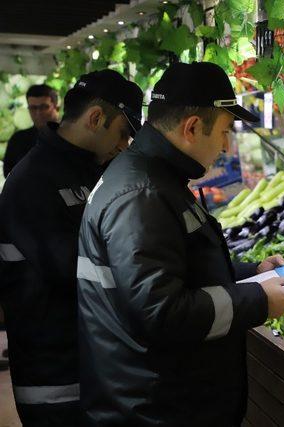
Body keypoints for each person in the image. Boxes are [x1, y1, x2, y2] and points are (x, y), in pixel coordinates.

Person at [76, 62, 284, 427]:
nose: (226, 147)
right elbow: (161, 312)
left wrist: (251, 273)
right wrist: (258, 301)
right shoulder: (141, 195)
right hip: (153, 410)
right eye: (225, 132)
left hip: (160, 400)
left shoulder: (154, 179)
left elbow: (176, 268)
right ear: (192, 127)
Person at [0, 70, 143, 427]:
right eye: (123, 133)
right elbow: (72, 270)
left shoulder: (90, 172)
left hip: (94, 366)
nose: (125, 145)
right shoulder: (31, 181)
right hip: (54, 380)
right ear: (96, 119)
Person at [3, 84, 60, 177]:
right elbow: (9, 174)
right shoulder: (18, 140)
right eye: (33, 108)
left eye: (44, 107)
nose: (38, 113)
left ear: (56, 107)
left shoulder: (70, 137)